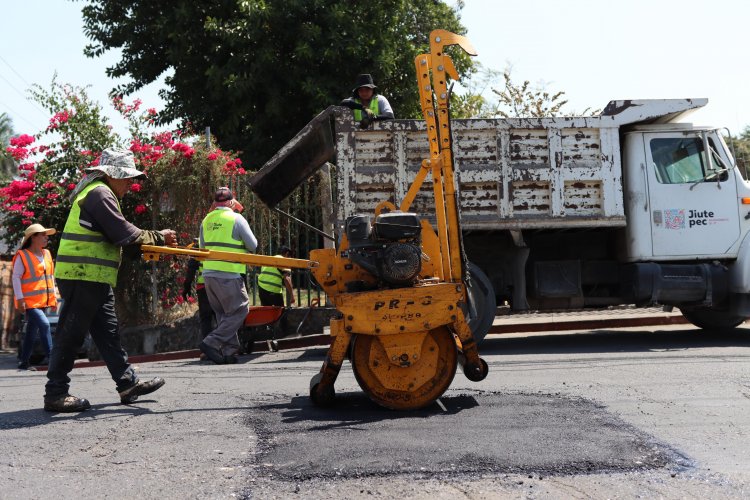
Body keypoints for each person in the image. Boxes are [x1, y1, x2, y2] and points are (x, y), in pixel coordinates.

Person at [44, 147, 177, 413]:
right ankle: (55, 393)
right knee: (71, 334)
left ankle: (127, 384)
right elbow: (124, 234)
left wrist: (152, 243)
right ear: (112, 174)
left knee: (109, 334)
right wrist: (159, 237)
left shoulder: (100, 193)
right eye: (127, 177)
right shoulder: (99, 194)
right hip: (82, 275)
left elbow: (119, 239)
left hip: (94, 276)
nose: (130, 183)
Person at [199, 187, 257, 365]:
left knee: (223, 314)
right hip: (229, 273)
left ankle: (229, 351)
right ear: (232, 202)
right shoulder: (236, 218)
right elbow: (253, 245)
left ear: (215, 203)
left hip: (208, 274)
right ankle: (211, 342)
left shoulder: (206, 219)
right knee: (240, 309)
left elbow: (202, 247)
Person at [12, 223, 59, 371]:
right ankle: (52, 360)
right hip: (29, 302)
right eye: (43, 235)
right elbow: (16, 278)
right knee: (44, 325)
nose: (46, 237)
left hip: (43, 300)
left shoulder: (47, 254)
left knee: (32, 332)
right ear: (33, 237)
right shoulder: (22, 256)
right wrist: (20, 299)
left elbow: (50, 276)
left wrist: (54, 296)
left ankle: (24, 362)